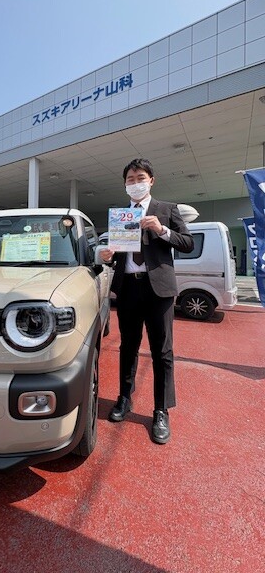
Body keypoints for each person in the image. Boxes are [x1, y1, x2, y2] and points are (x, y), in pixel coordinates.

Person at [100, 158, 193, 444]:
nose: (135, 183)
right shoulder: (121, 215)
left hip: (159, 291)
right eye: (130, 179)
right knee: (128, 347)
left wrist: (162, 230)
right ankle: (124, 398)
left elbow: (188, 243)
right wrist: (108, 256)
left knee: (162, 352)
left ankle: (161, 410)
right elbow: (118, 253)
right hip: (128, 289)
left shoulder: (167, 209)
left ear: (151, 180)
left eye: (140, 177)